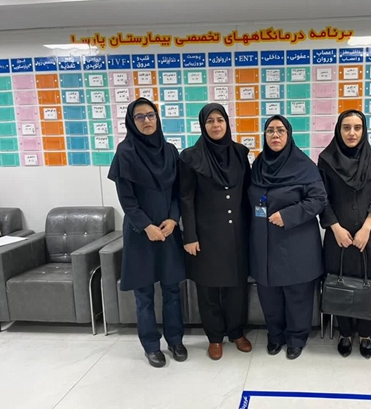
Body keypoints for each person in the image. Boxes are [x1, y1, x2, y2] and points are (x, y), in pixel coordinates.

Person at [108, 97, 187, 368]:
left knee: (172, 290)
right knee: (144, 294)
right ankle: (151, 346)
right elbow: (127, 199)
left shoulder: (170, 151)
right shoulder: (125, 153)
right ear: (132, 122)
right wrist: (146, 226)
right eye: (140, 117)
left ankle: (175, 340)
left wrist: (173, 219)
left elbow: (178, 192)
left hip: (168, 231)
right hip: (140, 234)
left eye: (151, 115)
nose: (147, 121)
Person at [248, 115, 327, 360]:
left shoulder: (304, 166)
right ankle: (275, 335)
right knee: (269, 294)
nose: (275, 135)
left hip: (296, 241)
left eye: (280, 130)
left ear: (289, 135)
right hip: (264, 243)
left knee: (297, 294)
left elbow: (319, 200)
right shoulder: (258, 165)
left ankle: (296, 338)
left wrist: (288, 215)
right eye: (270, 131)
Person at [178, 103, 252, 360]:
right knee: (208, 289)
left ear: (227, 123)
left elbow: (247, 193)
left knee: (237, 288)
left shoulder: (240, 153)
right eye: (210, 121)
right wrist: (189, 235)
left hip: (237, 234)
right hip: (205, 235)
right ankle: (215, 337)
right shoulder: (190, 157)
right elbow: (186, 198)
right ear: (202, 125)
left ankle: (237, 332)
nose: (216, 125)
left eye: (220, 119)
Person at [318, 109, 371, 359]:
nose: (352, 133)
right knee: (340, 282)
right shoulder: (326, 160)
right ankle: (345, 333)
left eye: (357, 128)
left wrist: (366, 228)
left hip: (368, 236)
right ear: (339, 130)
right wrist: (335, 227)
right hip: (338, 236)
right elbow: (322, 198)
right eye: (346, 127)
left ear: (364, 131)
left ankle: (365, 334)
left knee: (368, 283)